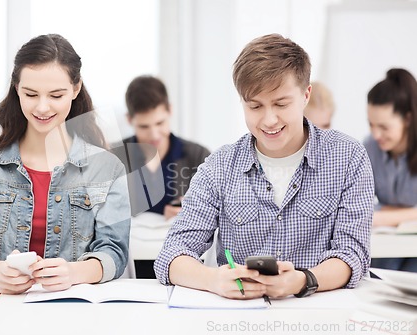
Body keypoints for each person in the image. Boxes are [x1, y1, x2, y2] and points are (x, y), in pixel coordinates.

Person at [154, 34, 374, 300]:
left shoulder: (348, 156)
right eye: (255, 106)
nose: (269, 120)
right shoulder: (220, 166)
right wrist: (213, 279)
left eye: (281, 104)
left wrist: (303, 281)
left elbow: (353, 254)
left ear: (305, 95)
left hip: (321, 312)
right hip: (240, 316)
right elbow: (172, 255)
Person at [0, 34, 131, 294]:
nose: (43, 107)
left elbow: (113, 252)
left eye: (56, 95)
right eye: (31, 94)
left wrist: (72, 273)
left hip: (74, 311)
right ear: (17, 88)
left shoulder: (108, 169)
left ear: (76, 88)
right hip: (2, 311)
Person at [121, 75, 210, 219]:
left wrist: (191, 210)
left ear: (170, 110)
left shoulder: (199, 157)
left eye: (160, 123)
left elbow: (218, 210)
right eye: (144, 127)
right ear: (129, 120)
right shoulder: (113, 159)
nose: (154, 135)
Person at [365, 68, 417, 272]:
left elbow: (372, 216)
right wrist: (410, 212)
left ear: (407, 119)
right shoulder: (369, 147)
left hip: (410, 245)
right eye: (371, 124)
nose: (376, 134)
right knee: (380, 271)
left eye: (384, 127)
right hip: (385, 242)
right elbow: (359, 205)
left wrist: (384, 215)